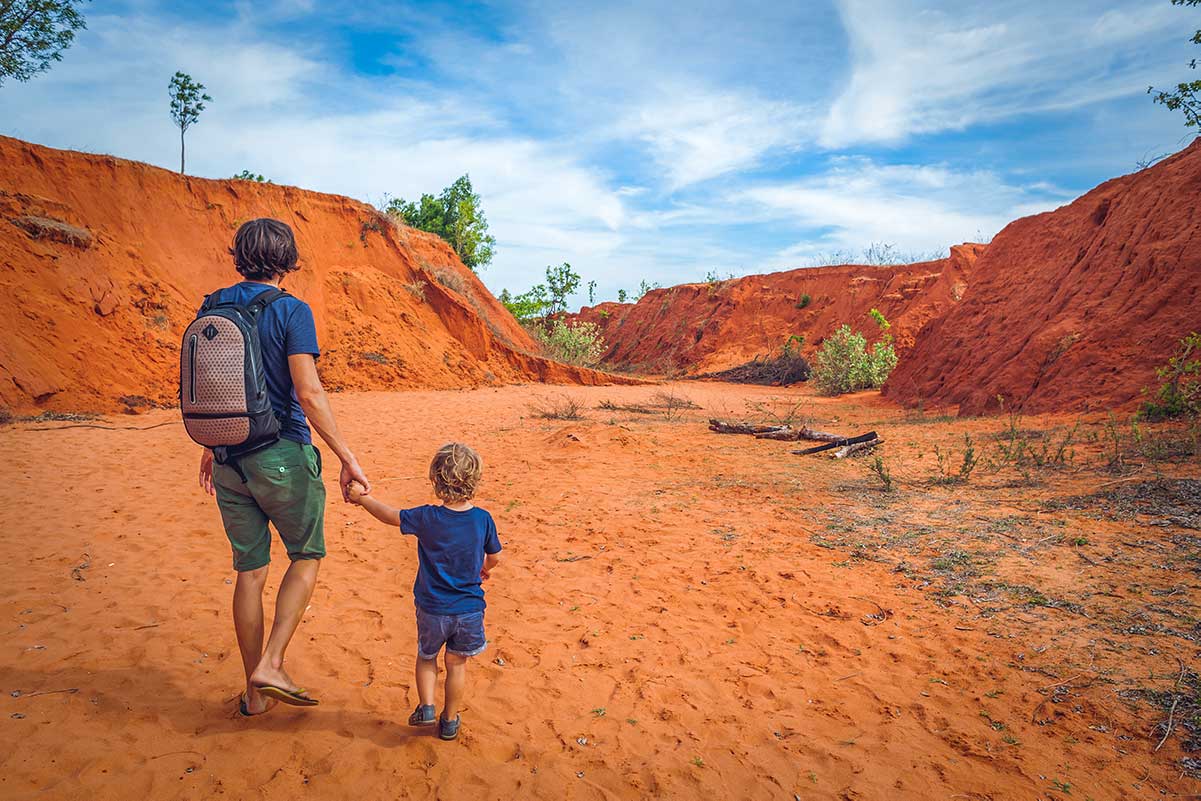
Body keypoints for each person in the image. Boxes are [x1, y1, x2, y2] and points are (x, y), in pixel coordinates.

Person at [198, 218, 371, 716]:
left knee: (249, 572)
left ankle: (254, 695)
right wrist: (346, 455)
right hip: (281, 457)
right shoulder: (292, 311)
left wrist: (212, 445)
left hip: (228, 459)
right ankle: (271, 663)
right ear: (288, 260)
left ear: (238, 255)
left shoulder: (213, 306)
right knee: (306, 554)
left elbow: (211, 382)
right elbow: (308, 391)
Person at [346, 443, 501, 741]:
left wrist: (363, 500)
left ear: (435, 480)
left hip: (433, 609)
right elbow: (495, 556)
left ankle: (427, 707)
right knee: (456, 664)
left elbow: (391, 515)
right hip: (469, 609)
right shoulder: (483, 519)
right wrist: (485, 568)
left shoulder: (428, 517)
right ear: (475, 481)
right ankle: (450, 721)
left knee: (427, 656)